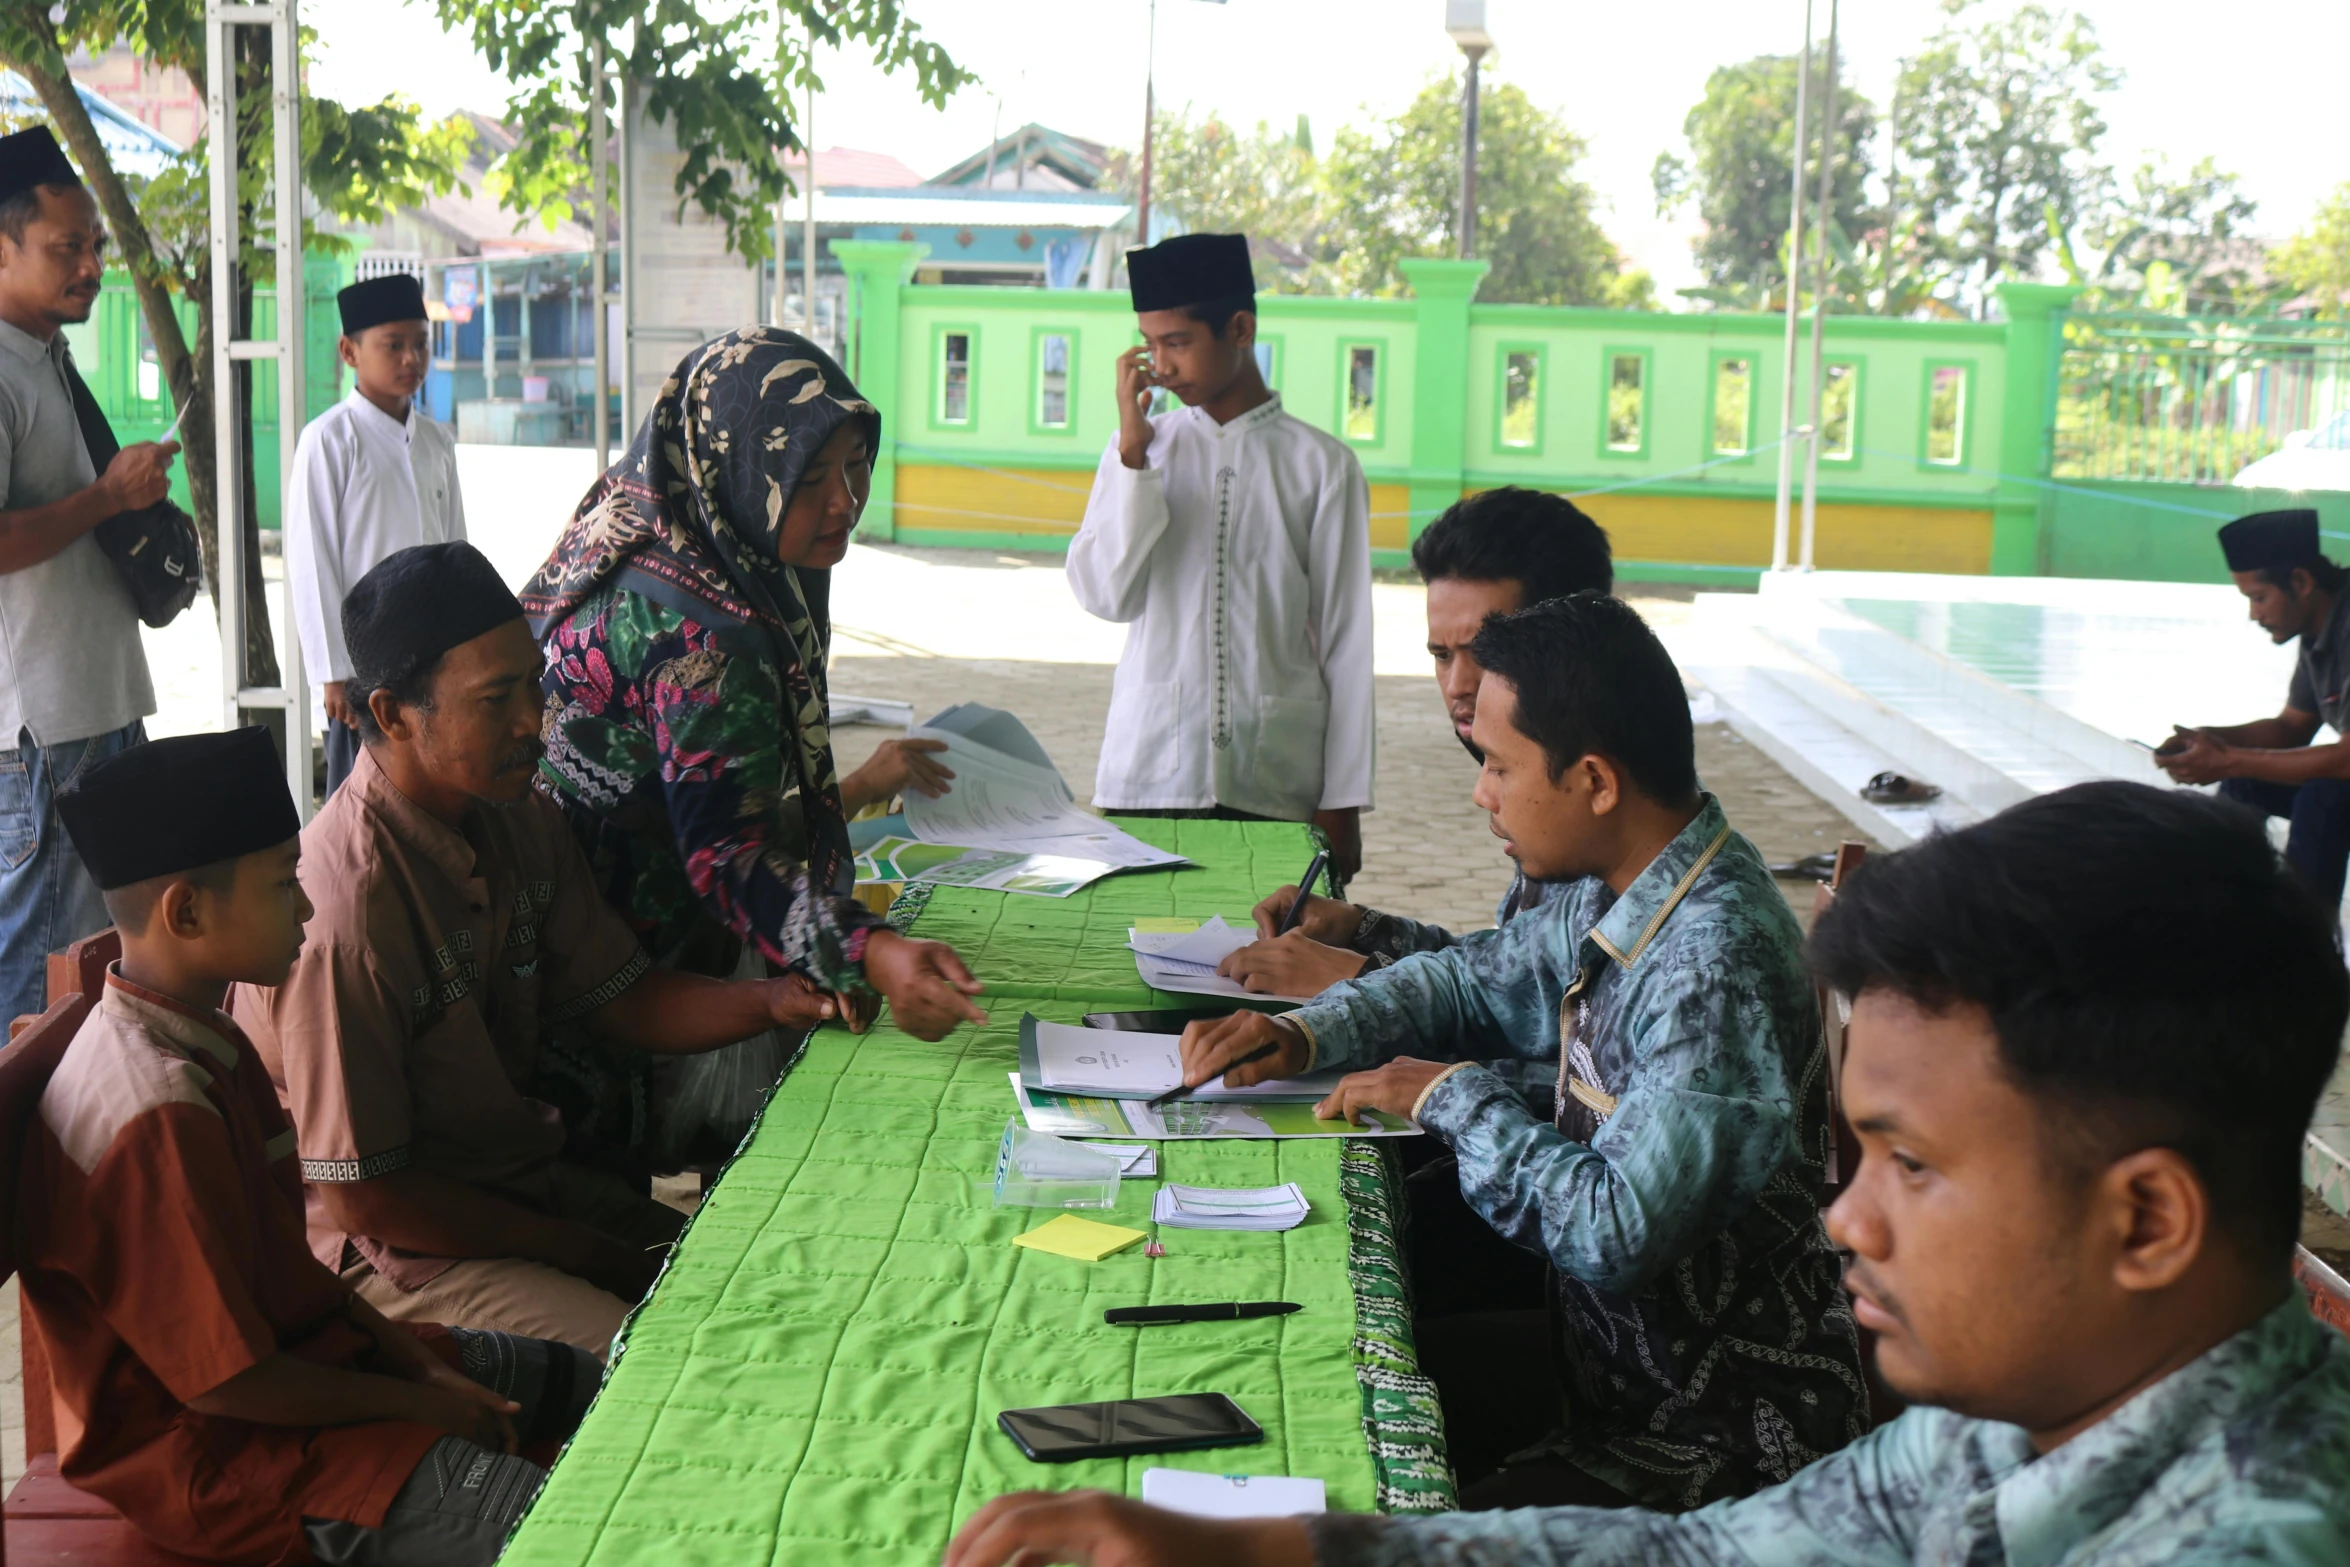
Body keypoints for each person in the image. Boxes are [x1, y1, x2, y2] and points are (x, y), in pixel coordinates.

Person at [942, 781, 2350, 1567]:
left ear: (2146, 1217)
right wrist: (1268, 1556)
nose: (1842, 1217)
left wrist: (1455, 1095)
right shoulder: (2034, 1405)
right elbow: (1710, 1559)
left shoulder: (2251, 1533)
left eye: (1908, 1165)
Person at [1178, 593, 1867, 1508]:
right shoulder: (1627, 883)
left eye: (1501, 766)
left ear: (1594, 779)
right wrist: (1306, 1028)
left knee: (1368, 1483)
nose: (1480, 791)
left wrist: (1454, 1096)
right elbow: (1471, 977)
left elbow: (1614, 1234)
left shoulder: (1714, 965)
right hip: (1604, 1367)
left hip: (1707, 1438)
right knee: (1319, 1390)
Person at [236, 542, 964, 1359]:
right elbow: (371, 1201)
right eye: (496, 698)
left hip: (516, 1196)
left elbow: (623, 996)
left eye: (534, 685)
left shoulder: (514, 817)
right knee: (669, 1354)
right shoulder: (344, 909)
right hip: (397, 1259)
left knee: (760, 1277)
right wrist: (572, 1247)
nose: (531, 720)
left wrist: (772, 1001)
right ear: (396, 714)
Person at [28, 727, 603, 1567]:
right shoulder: (153, 1112)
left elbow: (294, 1283)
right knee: (568, 1522)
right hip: (233, 1460)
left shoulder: (204, 1040)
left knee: (586, 1382)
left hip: (309, 1370)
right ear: (186, 911)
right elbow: (224, 1381)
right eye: (280, 885)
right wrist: (421, 1406)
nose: (305, 907)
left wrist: (419, 1366)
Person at [525, 329, 980, 1137]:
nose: (844, 499)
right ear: (739, 469)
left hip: (585, 887)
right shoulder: (702, 633)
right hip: (592, 922)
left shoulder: (655, 510)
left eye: (854, 463)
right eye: (808, 479)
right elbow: (724, 855)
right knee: (591, 1169)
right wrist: (871, 950)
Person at [1220, 486, 1614, 999]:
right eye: (1442, 655)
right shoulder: (1556, 786)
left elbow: (1563, 1053)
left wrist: (1364, 985)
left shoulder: (1613, 832)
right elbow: (1511, 972)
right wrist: (1364, 932)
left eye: (1484, 652)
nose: (1457, 685)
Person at [1066, 232, 1374, 884]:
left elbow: (1346, 643)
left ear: (1240, 328)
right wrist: (1133, 457)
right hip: (1147, 774)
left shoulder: (1322, 466)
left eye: (1177, 342)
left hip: (1276, 784)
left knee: (1264, 972)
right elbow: (1105, 595)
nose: (1162, 366)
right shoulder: (1139, 451)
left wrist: (1342, 799)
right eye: (1149, 346)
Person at [0, 124, 177, 1025]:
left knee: (100, 966)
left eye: (96, 245)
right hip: (43, 734)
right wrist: (109, 500)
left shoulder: (47, 361)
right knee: (40, 979)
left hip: (100, 709)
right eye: (66, 247)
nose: (91, 265)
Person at [286, 271, 467, 794]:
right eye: (394, 346)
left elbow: (456, 549)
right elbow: (311, 561)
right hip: (363, 668)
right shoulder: (328, 440)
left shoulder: (437, 440)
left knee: (432, 793)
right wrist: (332, 672)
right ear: (349, 351)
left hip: (433, 653)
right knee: (366, 801)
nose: (411, 359)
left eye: (420, 344)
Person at [2157, 506, 2350, 915]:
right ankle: (2226, 918)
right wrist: (2212, 739)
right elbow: (2290, 728)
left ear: (2301, 581)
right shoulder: (2320, 626)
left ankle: (2305, 946)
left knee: (2325, 796)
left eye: (2259, 598)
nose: (2254, 614)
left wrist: (2230, 760)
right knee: (2245, 787)